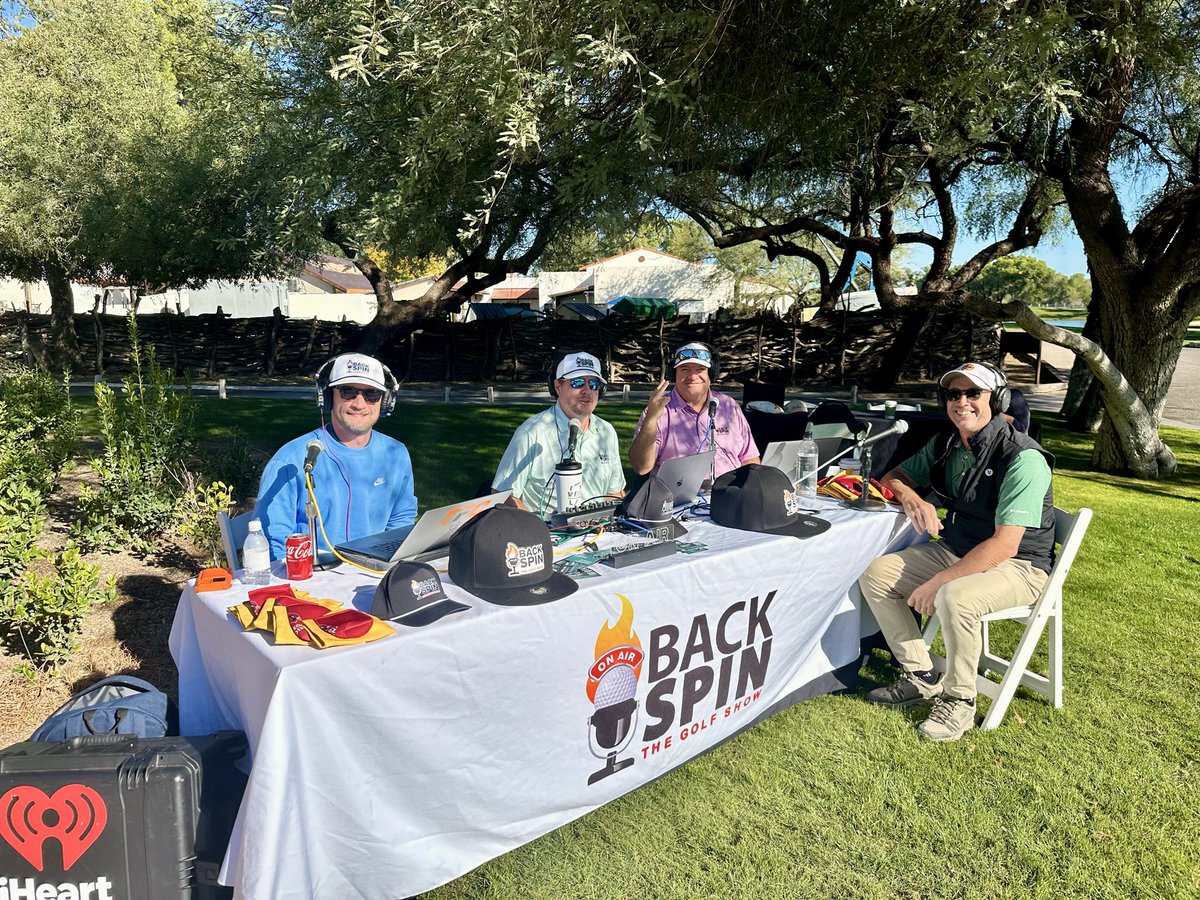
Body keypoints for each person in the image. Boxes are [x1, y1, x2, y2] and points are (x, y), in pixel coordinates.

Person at [857, 361, 1055, 741]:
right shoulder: (947, 441)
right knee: (876, 573)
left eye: (972, 393)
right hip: (959, 548)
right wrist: (913, 498)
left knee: (955, 595)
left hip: (1019, 565)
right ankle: (921, 675)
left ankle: (960, 700)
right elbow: (892, 478)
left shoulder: (1023, 458)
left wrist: (941, 580)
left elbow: (1005, 544)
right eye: (953, 394)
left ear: (995, 400)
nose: (961, 402)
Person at [255, 353, 417, 560]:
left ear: (384, 402)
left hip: (373, 573)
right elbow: (272, 543)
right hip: (312, 579)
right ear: (327, 397)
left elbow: (402, 519)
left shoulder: (397, 454)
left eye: (372, 395)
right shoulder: (290, 461)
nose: (359, 404)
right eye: (348, 392)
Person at [492, 351, 625, 518]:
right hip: (549, 536)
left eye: (593, 384)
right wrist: (538, 531)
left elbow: (615, 493)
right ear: (557, 387)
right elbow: (502, 496)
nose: (586, 390)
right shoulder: (531, 432)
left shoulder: (607, 432)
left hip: (598, 533)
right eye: (577, 383)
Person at [629, 342, 760, 480]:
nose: (693, 376)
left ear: (711, 374)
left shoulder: (729, 406)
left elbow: (749, 458)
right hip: (676, 499)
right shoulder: (658, 410)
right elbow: (641, 467)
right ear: (674, 374)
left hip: (729, 494)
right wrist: (651, 420)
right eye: (685, 369)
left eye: (700, 369)